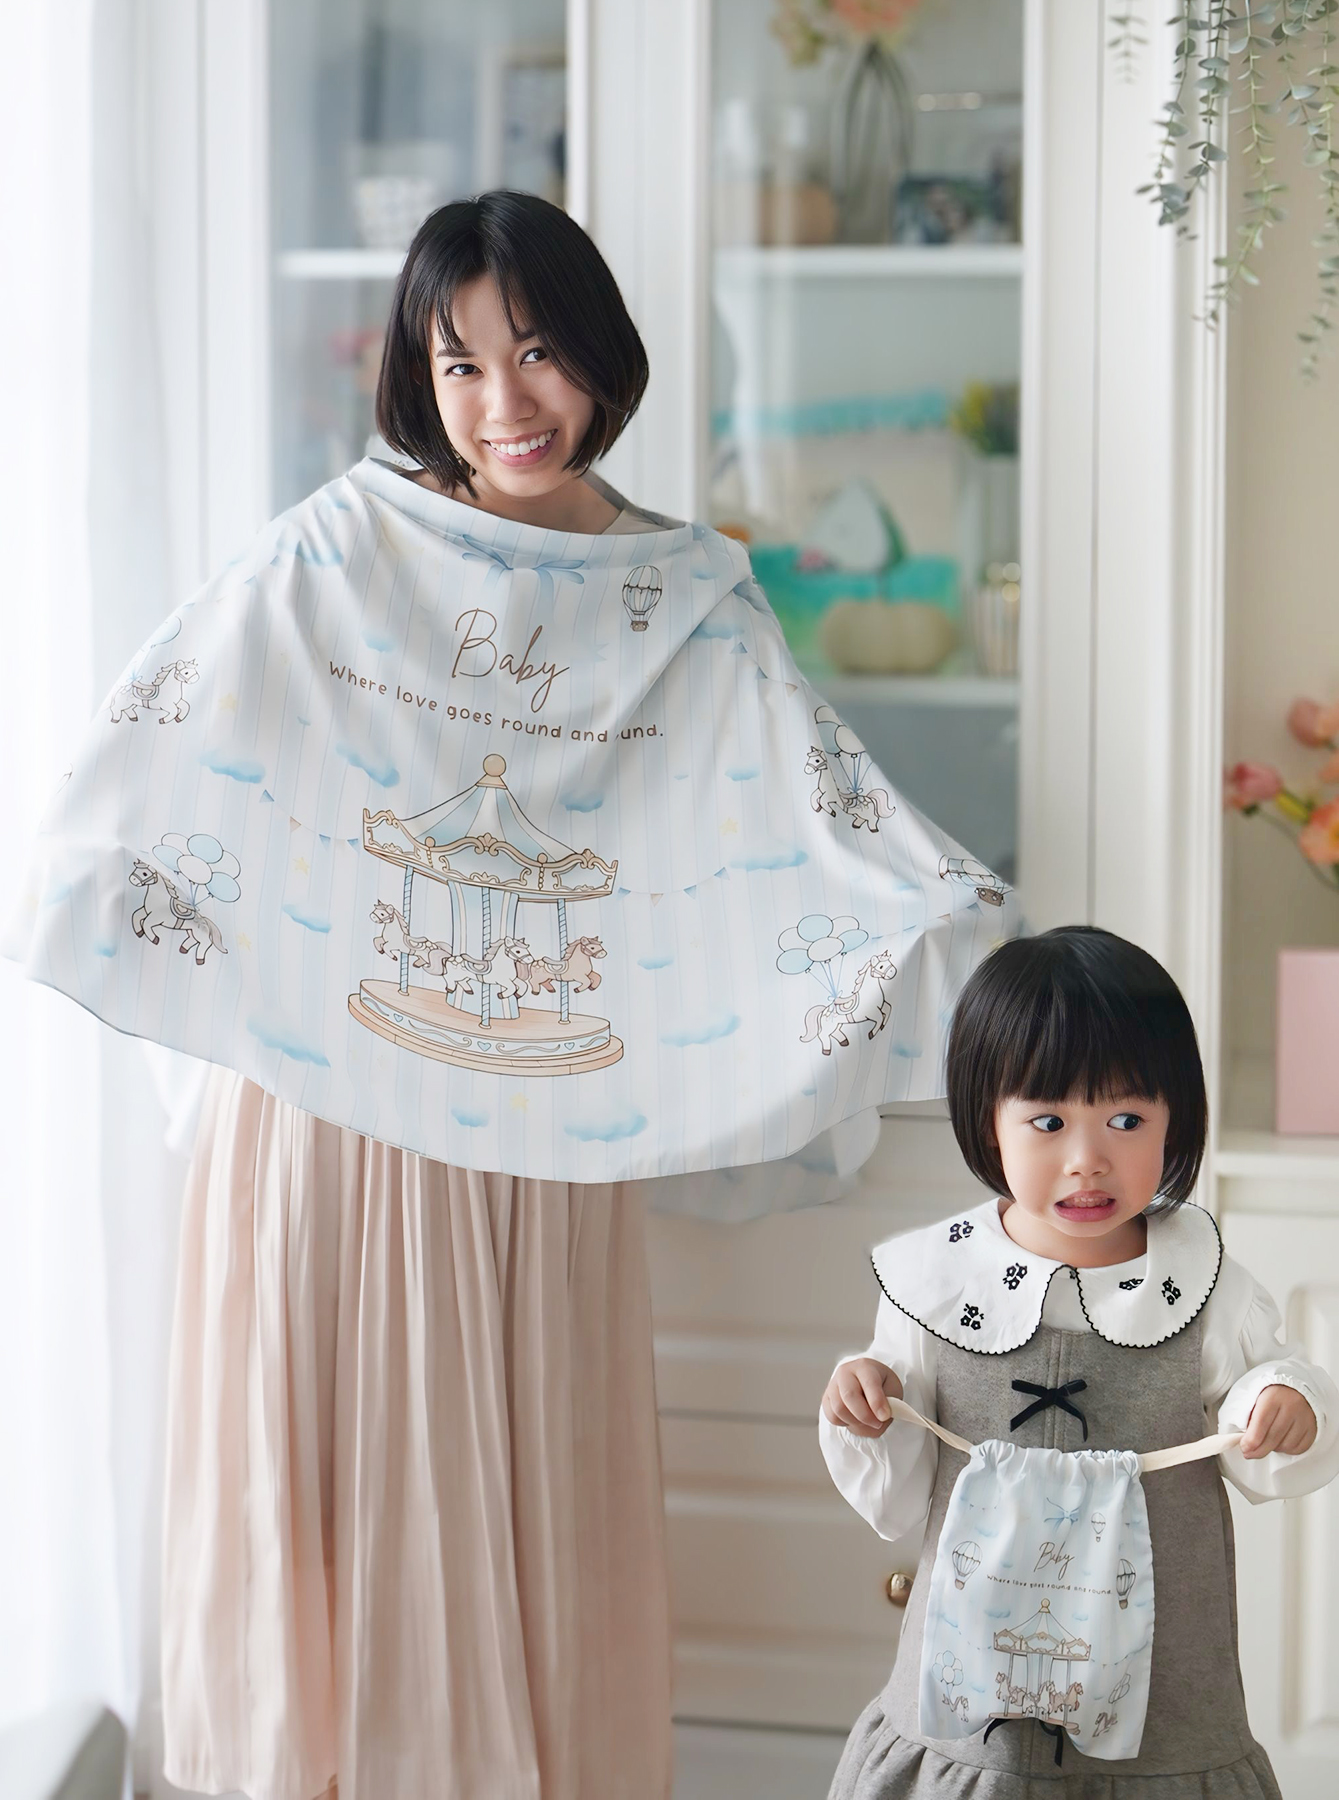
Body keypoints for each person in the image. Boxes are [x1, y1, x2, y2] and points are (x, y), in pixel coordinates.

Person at [8, 191, 1014, 1800]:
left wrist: (956, 919)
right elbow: (173, 740)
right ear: (418, 383)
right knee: (321, 1505)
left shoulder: (689, 600)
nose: (505, 404)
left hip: (539, 1138)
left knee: (521, 1487)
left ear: (600, 354)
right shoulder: (345, 550)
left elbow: (805, 816)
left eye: (537, 351)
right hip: (323, 1121)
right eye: (459, 365)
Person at [820, 926, 1339, 1796]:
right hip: (972, 1690)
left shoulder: (1205, 1282)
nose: (1087, 1160)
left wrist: (1284, 1400)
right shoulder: (934, 1282)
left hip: (1166, 1706)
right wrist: (866, 1400)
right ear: (988, 1122)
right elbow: (895, 1488)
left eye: (1127, 1121)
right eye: (1048, 1122)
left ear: (1176, 1117)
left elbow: (1269, 1390)